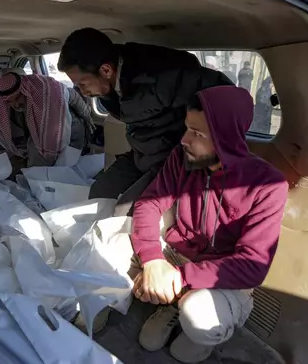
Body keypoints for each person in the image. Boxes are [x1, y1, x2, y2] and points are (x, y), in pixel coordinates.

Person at [105, 85, 288, 362]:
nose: (184, 140)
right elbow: (149, 203)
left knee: (199, 323)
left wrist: (179, 278)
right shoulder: (183, 159)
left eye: (197, 133)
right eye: (187, 128)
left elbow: (252, 265)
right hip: (175, 255)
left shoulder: (268, 185)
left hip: (221, 276)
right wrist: (153, 260)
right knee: (108, 245)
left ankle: (184, 304)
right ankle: (171, 302)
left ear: (226, 139)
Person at [57, 28, 233, 214]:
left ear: (106, 70)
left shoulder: (158, 75)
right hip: (141, 154)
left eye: (83, 84)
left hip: (171, 160)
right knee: (100, 193)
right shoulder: (107, 88)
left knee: (126, 210)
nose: (82, 92)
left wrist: (211, 152)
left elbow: (226, 94)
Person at [0, 72, 94, 167]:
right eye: (10, 101)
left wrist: (88, 119)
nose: (15, 104)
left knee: (59, 169)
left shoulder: (48, 91)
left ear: (25, 90)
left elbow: (73, 97)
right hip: (35, 138)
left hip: (68, 133)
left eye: (18, 98)